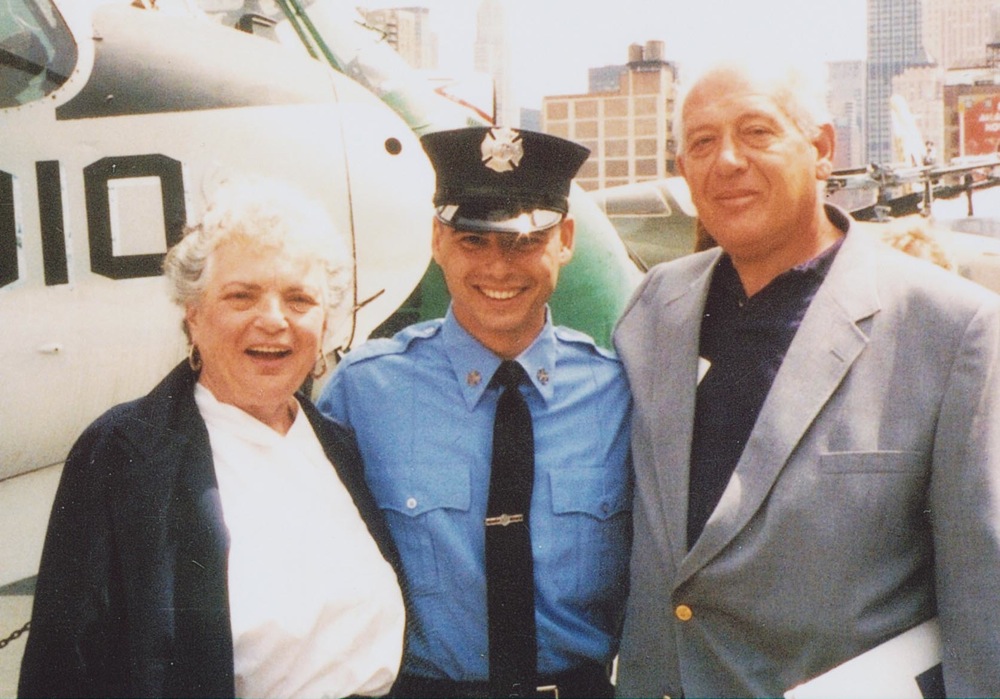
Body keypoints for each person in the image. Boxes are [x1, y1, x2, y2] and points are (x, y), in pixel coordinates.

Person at [613, 57, 1000, 698]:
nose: (727, 161)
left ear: (821, 149)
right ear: (683, 172)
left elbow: (985, 593)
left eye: (757, 132)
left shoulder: (952, 328)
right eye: (702, 143)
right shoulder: (656, 306)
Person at [19, 178, 406, 699]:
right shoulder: (125, 452)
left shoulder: (337, 446)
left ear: (326, 320)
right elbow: (65, 666)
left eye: (299, 299)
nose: (273, 321)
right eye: (241, 296)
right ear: (193, 314)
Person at [318, 126, 632, 699]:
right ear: (438, 240)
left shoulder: (619, 395)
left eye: (523, 242)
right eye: (472, 241)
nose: (498, 268)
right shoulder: (364, 394)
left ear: (564, 238)